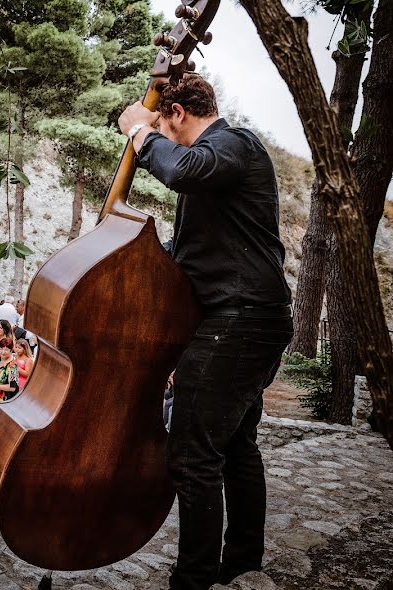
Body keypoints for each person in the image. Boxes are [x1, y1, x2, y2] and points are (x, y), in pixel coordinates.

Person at [119, 74, 293, 590]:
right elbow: (192, 253)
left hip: (240, 320)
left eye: (163, 126)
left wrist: (139, 131)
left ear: (174, 111)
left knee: (193, 455)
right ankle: (240, 560)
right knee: (236, 443)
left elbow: (182, 169)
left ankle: (193, 579)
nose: (163, 137)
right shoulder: (216, 168)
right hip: (247, 319)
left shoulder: (232, 145)